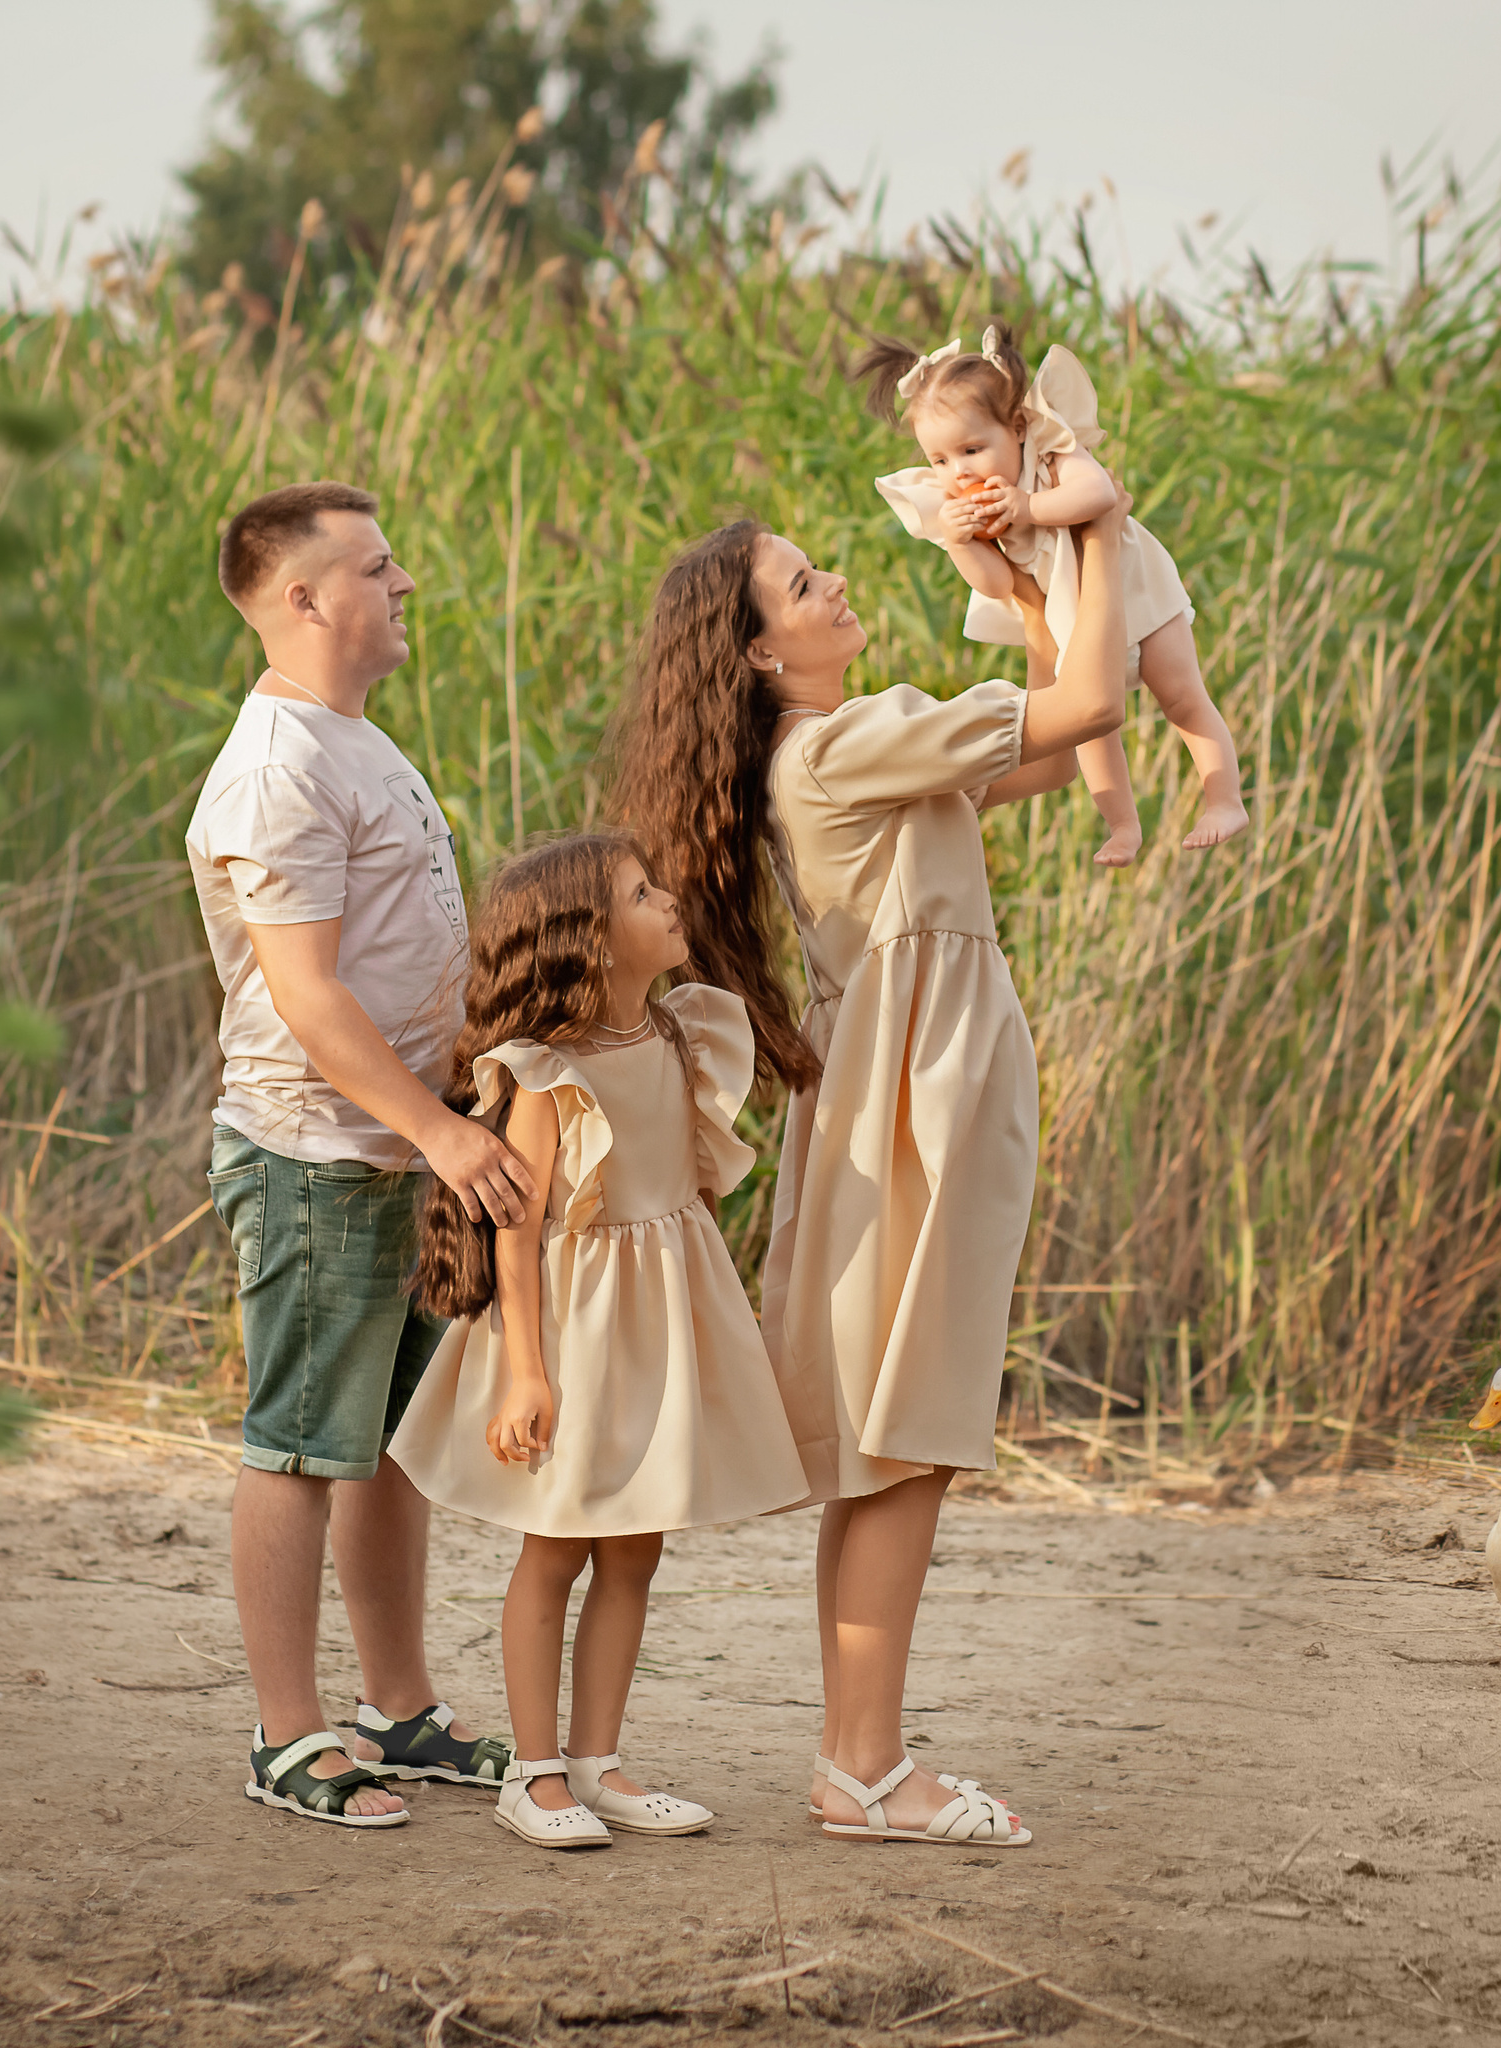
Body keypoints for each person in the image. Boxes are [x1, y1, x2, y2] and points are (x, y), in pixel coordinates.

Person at [613, 498, 1142, 1846]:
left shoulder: (844, 751)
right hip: (921, 1107)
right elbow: (1097, 696)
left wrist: (1012, 579)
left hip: (901, 1095)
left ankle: (857, 1760)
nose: (834, 581)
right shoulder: (845, 746)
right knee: (907, 1443)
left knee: (888, 1446)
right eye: (801, 583)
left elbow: (1058, 728)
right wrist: (1094, 524)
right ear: (758, 651)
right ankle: (865, 1766)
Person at [184, 479, 538, 1828]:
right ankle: (286, 1735)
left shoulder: (352, 737)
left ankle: (400, 1712)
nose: (403, 586)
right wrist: (441, 1131)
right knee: (298, 1443)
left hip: (395, 1148)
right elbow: (307, 997)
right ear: (303, 597)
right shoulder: (278, 767)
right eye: (377, 568)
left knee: (389, 1445)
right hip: (315, 1156)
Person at [390, 834, 806, 1849]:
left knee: (635, 1546)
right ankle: (531, 1771)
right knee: (558, 1544)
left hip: (659, 1318)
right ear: (590, 937)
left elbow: (689, 1183)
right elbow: (518, 1231)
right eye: (641, 892)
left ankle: (597, 1760)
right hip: (575, 1331)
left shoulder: (682, 1031)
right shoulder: (547, 1072)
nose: (669, 900)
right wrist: (525, 1373)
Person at [856, 322, 1247, 868]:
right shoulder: (965, 509)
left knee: (1180, 694)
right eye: (940, 460)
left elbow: (1099, 492)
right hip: (1075, 617)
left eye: (972, 449)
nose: (958, 472)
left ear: (1018, 427)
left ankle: (1224, 800)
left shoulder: (1050, 454)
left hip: (1134, 585)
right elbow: (998, 586)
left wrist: (1028, 508)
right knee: (1088, 720)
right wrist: (960, 543)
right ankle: (1122, 824)